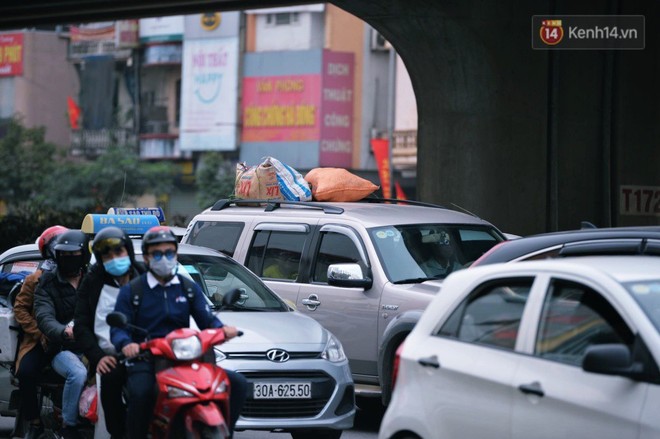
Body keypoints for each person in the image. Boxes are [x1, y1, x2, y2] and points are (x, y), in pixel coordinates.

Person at [110, 225, 247, 439]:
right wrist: (126, 344)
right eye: (157, 254)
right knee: (142, 393)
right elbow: (118, 329)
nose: (164, 258)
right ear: (146, 258)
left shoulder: (187, 287)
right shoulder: (133, 291)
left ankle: (224, 432)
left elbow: (207, 320)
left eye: (169, 253)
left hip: (186, 356)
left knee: (237, 384)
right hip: (147, 357)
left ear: (175, 255)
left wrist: (222, 330)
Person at [74, 226, 147, 439]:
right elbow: (81, 324)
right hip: (109, 356)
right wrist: (98, 357)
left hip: (145, 352)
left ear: (128, 252)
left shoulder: (145, 275)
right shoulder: (93, 280)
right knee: (111, 384)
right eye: (107, 256)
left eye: (119, 252)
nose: (114, 259)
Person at [13, 225, 69, 439]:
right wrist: (39, 332)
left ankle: (70, 422)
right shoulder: (35, 279)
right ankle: (35, 423)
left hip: (69, 340)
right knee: (25, 373)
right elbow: (20, 308)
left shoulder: (80, 275)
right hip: (39, 341)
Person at [34, 229, 90, 439]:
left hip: (94, 344)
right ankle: (69, 425)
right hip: (62, 348)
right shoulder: (47, 282)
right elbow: (44, 316)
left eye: (72, 255)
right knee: (78, 374)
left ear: (83, 256)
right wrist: (64, 332)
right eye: (63, 255)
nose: (67, 260)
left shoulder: (94, 278)